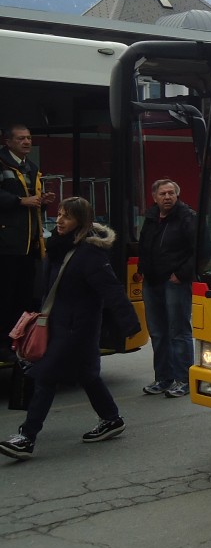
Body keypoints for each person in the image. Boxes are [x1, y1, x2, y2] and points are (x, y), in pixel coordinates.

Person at [0, 197, 140, 462]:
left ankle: (27, 437)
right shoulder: (58, 247)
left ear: (82, 222)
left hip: (78, 328)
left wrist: (129, 323)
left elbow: (111, 290)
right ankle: (111, 419)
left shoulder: (90, 253)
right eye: (60, 214)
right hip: (58, 323)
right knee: (88, 375)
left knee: (46, 378)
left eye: (68, 216)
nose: (60, 220)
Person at [0, 123, 56, 361]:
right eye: (21, 138)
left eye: (29, 138)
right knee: (5, 296)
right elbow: (13, 200)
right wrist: (20, 201)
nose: (26, 142)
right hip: (7, 245)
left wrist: (43, 201)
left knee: (24, 297)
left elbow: (31, 202)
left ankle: (18, 341)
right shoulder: (2, 164)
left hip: (30, 246)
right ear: (8, 142)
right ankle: (3, 343)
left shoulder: (31, 167)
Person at [138, 179, 197, 398]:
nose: (167, 197)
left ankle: (183, 379)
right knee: (158, 333)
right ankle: (163, 378)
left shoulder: (187, 217)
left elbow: (200, 251)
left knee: (178, 332)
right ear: (155, 197)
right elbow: (144, 245)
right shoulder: (152, 218)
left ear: (177, 195)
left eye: (171, 193)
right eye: (163, 193)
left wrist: (181, 274)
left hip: (175, 283)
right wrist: (143, 269)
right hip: (152, 281)